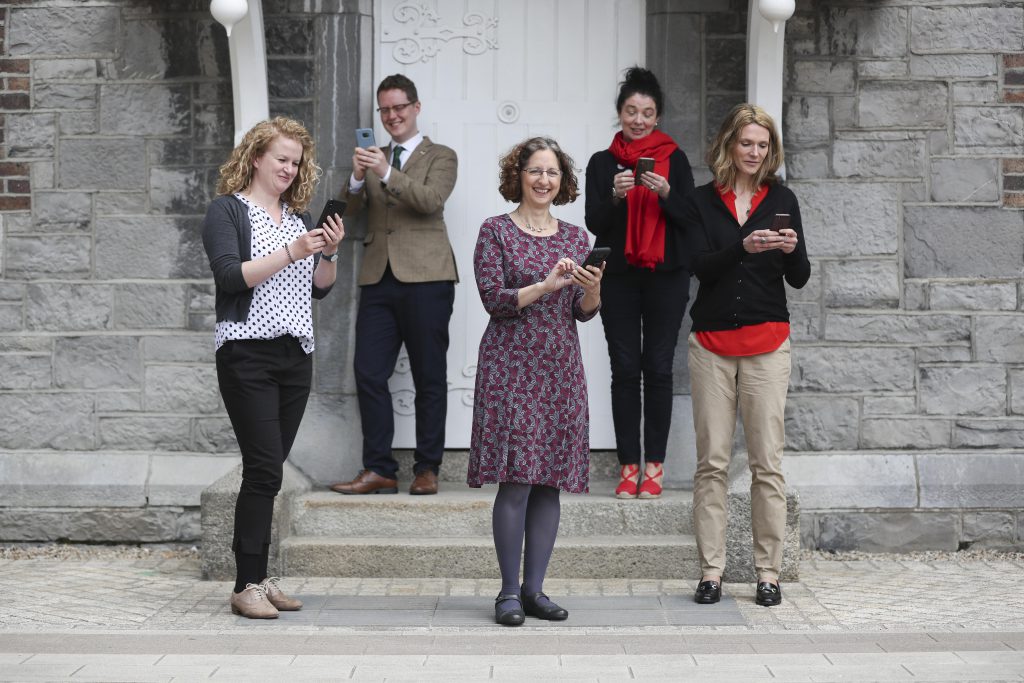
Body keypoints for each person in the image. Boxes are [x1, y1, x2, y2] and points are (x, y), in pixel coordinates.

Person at [202, 117, 344, 619]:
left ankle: (261, 577)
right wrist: (291, 251)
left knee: (269, 472)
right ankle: (246, 585)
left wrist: (327, 250)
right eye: (281, 158)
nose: (289, 168)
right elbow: (230, 276)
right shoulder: (227, 211)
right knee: (263, 468)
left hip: (294, 355)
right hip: (246, 352)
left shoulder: (299, 219)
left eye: (296, 162)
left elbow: (320, 286)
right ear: (256, 157)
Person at [469, 137, 604, 626]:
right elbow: (494, 299)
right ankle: (507, 593)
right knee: (517, 480)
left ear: (562, 181)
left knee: (549, 482)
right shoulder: (495, 232)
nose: (544, 180)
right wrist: (544, 286)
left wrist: (593, 290)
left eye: (552, 173)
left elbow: (583, 314)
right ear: (519, 175)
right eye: (535, 171)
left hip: (559, 367)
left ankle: (535, 591)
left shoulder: (576, 238)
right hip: (510, 366)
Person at [683, 103, 810, 607]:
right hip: (712, 346)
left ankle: (768, 574)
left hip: (767, 345)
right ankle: (711, 571)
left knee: (766, 465)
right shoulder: (700, 201)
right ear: (728, 146)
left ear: (770, 150)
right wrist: (746, 246)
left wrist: (791, 247)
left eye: (762, 145)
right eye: (746, 143)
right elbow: (698, 267)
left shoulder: (782, 198)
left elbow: (798, 276)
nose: (754, 152)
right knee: (711, 464)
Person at [330, 74, 458, 497]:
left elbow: (429, 202)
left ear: (416, 107)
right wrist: (355, 178)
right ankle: (380, 468)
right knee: (368, 372)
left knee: (429, 375)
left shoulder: (442, 155)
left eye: (399, 107)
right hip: (378, 277)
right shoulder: (373, 156)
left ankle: (427, 468)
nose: (392, 116)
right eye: (385, 109)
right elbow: (348, 214)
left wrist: (385, 171)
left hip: (428, 277)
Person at [584, 66, 695, 500]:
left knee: (659, 368)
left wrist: (666, 192)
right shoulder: (602, 163)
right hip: (620, 278)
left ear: (658, 116)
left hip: (667, 276)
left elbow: (690, 220)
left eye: (647, 112)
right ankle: (628, 466)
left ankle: (656, 467)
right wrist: (615, 194)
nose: (638, 119)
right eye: (631, 111)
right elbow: (596, 223)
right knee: (625, 370)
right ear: (619, 113)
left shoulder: (676, 159)